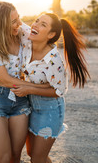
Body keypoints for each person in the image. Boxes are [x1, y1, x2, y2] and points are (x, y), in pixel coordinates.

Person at [11, 13, 90, 163]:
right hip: (31, 107)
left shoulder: (53, 60)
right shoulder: (27, 36)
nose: (35, 25)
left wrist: (29, 89)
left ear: (51, 34)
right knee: (31, 153)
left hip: (50, 111)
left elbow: (58, 91)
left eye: (43, 25)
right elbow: (8, 25)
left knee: (37, 159)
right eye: (37, 21)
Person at [0, 1, 51, 163]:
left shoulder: (22, 33)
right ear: (0, 24)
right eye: (14, 21)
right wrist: (42, 88)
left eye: (19, 18)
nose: (20, 24)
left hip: (20, 99)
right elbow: (5, 80)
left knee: (15, 156)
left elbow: (46, 34)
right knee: (3, 158)